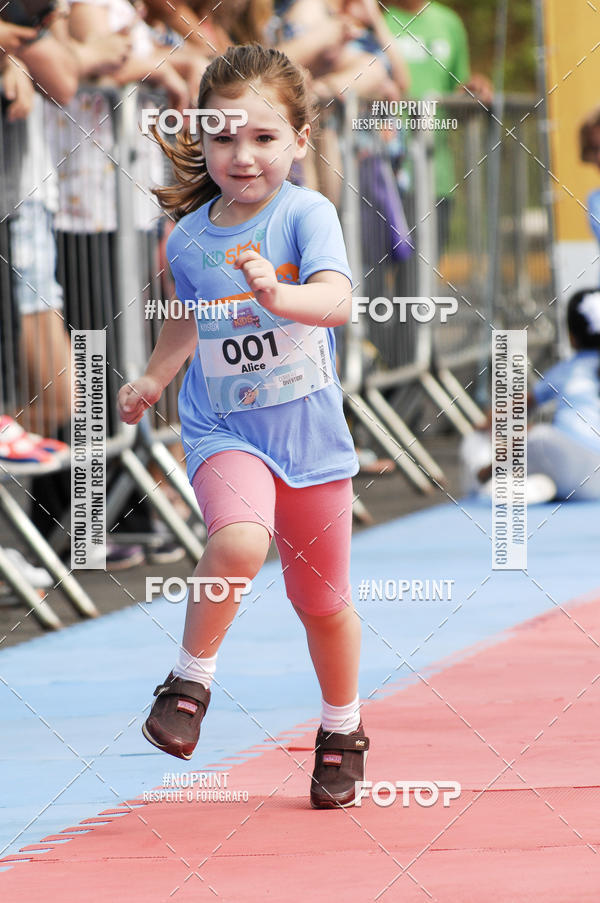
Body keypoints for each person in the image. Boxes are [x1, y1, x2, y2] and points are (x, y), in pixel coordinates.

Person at [118, 43, 369, 809]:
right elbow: (186, 323)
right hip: (224, 426)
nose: (244, 156)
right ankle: (190, 681)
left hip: (312, 439)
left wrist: (278, 294)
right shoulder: (189, 236)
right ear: (201, 137)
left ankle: (341, 728)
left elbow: (337, 301)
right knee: (239, 538)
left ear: (299, 139)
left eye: (264, 138)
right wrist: (156, 376)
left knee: (322, 603)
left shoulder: (306, 213)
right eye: (224, 137)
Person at [462, 289, 600, 503]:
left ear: (572, 338)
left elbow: (516, 410)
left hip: (572, 463)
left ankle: (485, 477)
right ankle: (537, 485)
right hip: (585, 478)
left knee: (536, 436)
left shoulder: (568, 370)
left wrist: (488, 425)